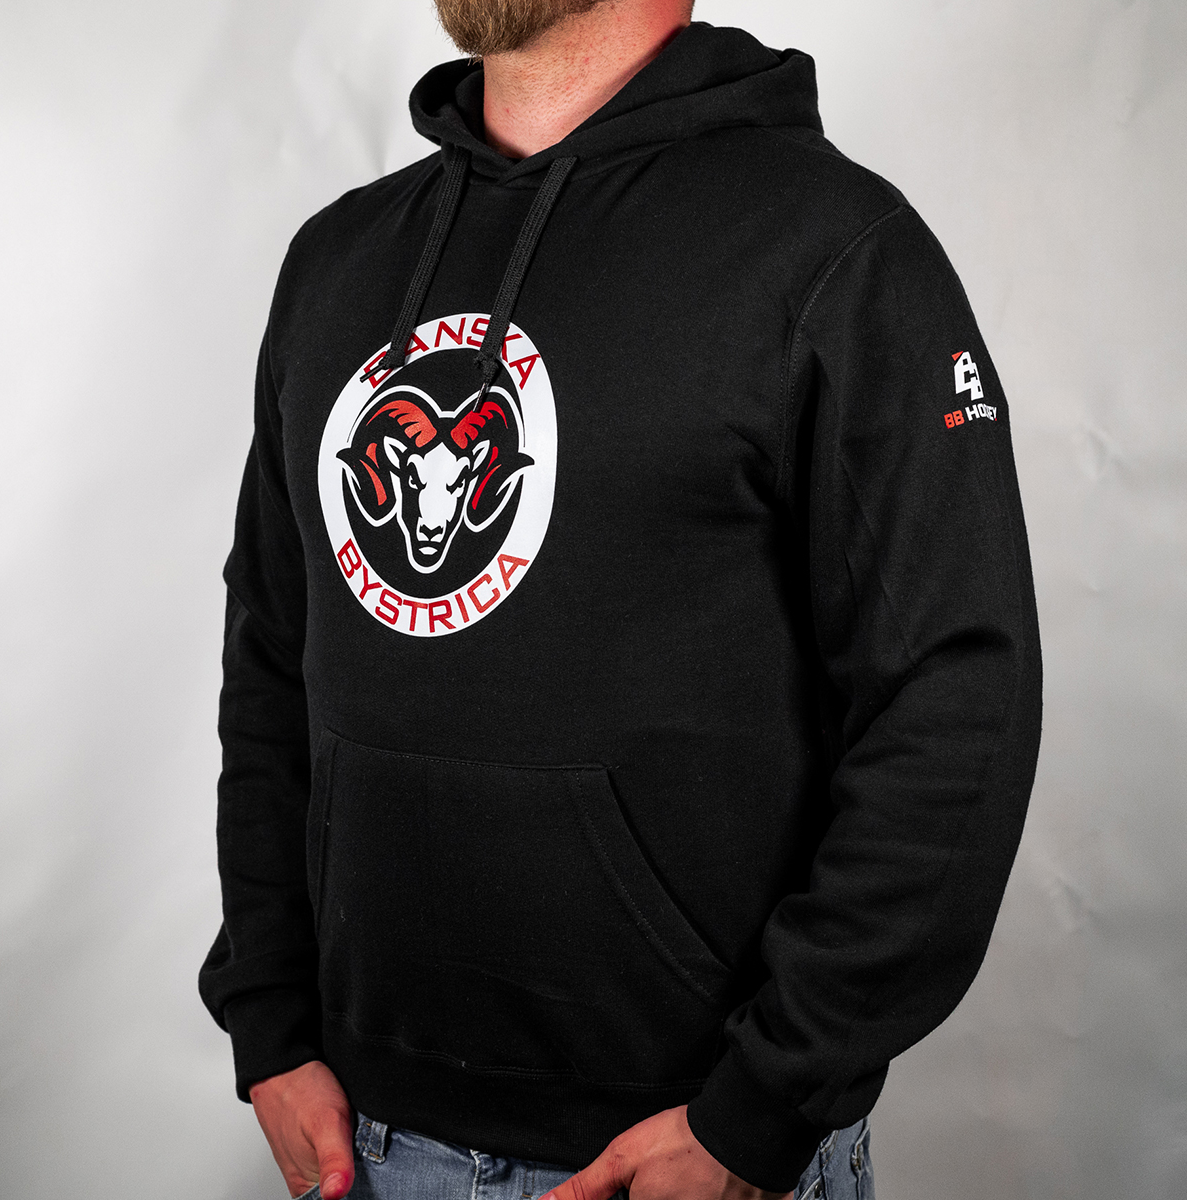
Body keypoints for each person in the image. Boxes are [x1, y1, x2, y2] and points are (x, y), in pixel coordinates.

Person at [198, 1, 1042, 1198]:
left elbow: (958, 697)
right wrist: (271, 1022)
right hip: (366, 1138)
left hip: (676, 1150)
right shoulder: (340, 258)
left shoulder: (834, 251)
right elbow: (269, 654)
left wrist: (762, 1107)